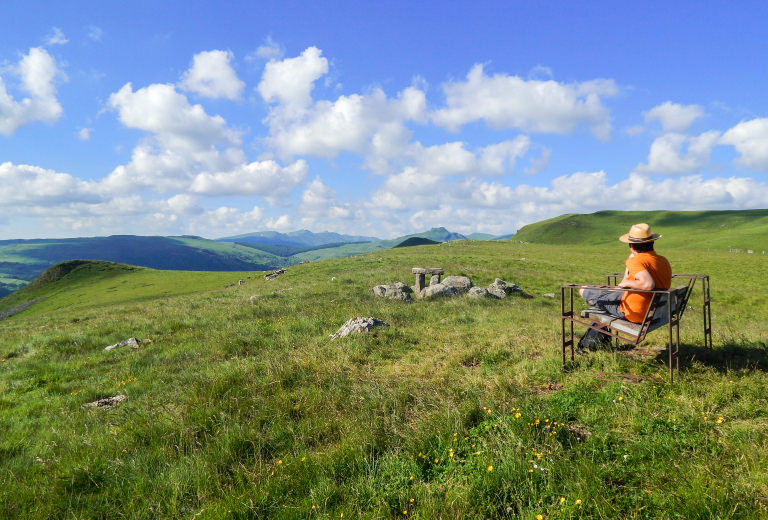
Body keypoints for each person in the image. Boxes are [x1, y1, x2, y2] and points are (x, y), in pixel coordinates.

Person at [580, 223, 672, 323]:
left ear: (631, 246)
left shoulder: (636, 261)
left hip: (635, 313)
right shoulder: (663, 260)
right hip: (656, 313)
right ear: (652, 242)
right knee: (610, 292)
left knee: (584, 290)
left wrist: (625, 283)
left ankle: (593, 337)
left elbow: (648, 284)